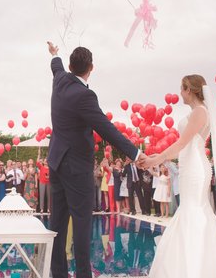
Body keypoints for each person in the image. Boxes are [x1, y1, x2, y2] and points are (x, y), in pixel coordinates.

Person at [45, 42, 147, 278]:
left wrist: (54, 53)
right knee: (81, 223)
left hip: (56, 162)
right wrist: (135, 153)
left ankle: (57, 274)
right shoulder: (84, 95)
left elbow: (55, 66)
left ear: (70, 66)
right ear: (91, 67)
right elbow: (106, 128)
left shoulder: (60, 80)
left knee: (57, 223)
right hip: (76, 167)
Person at [146, 74, 216, 277]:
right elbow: (180, 148)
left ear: (190, 90)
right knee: (190, 209)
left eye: (181, 88)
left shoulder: (200, 112)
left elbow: (182, 143)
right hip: (188, 165)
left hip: (195, 168)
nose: (179, 93)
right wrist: (157, 157)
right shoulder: (197, 112)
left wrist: (155, 160)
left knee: (194, 210)